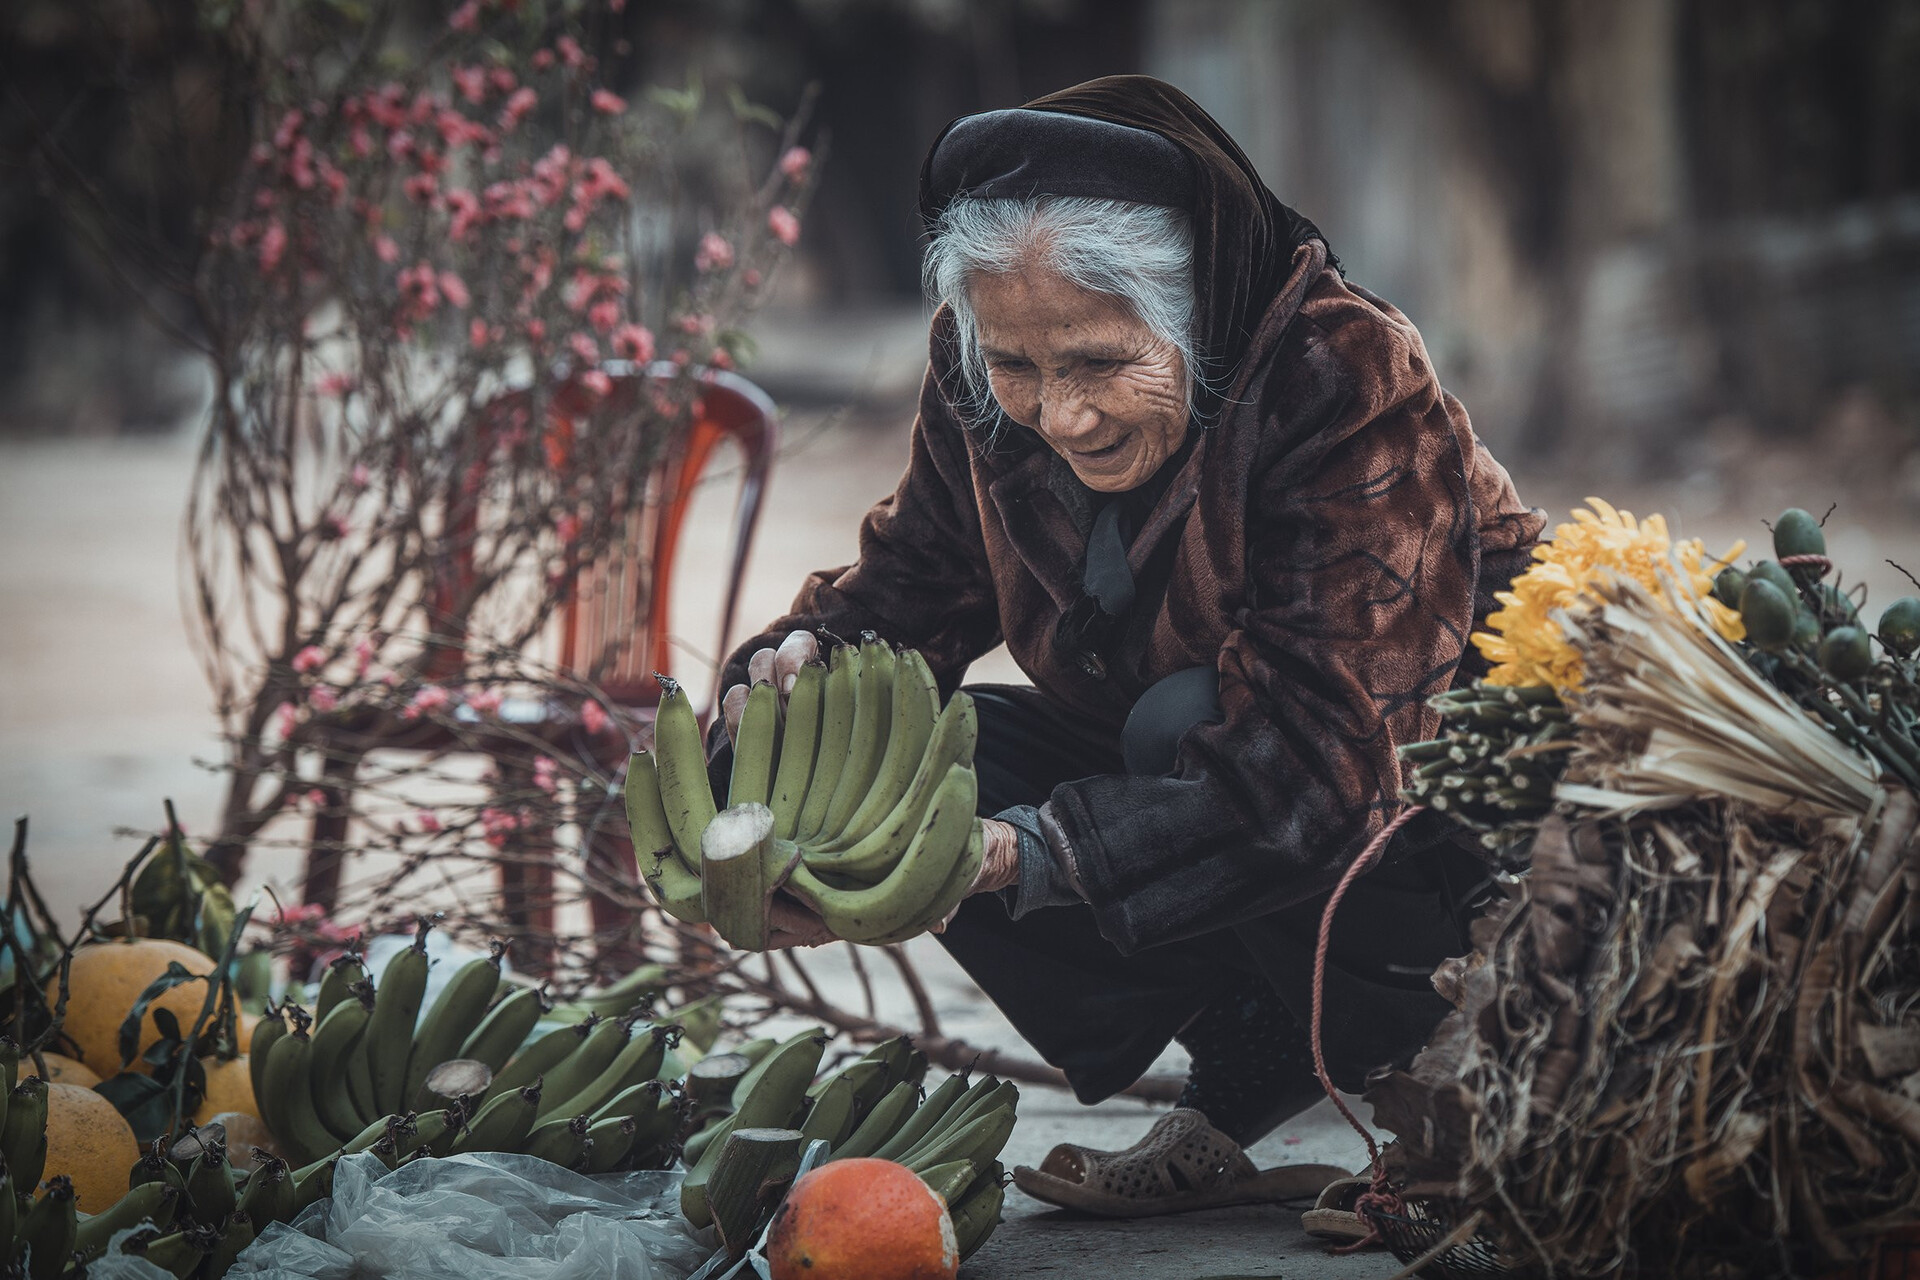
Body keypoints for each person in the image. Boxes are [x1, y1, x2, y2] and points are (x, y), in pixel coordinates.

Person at [712, 75, 1545, 1218]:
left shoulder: (1337, 371)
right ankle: (1255, 1038)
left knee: (1179, 724)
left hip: (1435, 817)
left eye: (1100, 364)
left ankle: (1436, 1070)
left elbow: (1322, 760)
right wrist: (782, 691)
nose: (1058, 414)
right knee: (905, 757)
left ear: (1193, 308)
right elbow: (908, 586)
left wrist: (1012, 854)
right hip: (1216, 775)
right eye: (1019, 369)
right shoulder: (987, 366)